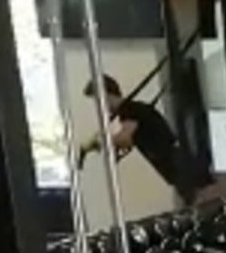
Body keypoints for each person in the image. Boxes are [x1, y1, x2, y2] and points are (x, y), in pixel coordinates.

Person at [79, 75, 204, 205]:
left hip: (179, 164)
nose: (99, 107)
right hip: (176, 165)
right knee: (196, 200)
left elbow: (125, 138)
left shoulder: (129, 109)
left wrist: (99, 142)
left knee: (200, 200)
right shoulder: (131, 110)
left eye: (98, 101)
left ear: (106, 95)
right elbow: (131, 141)